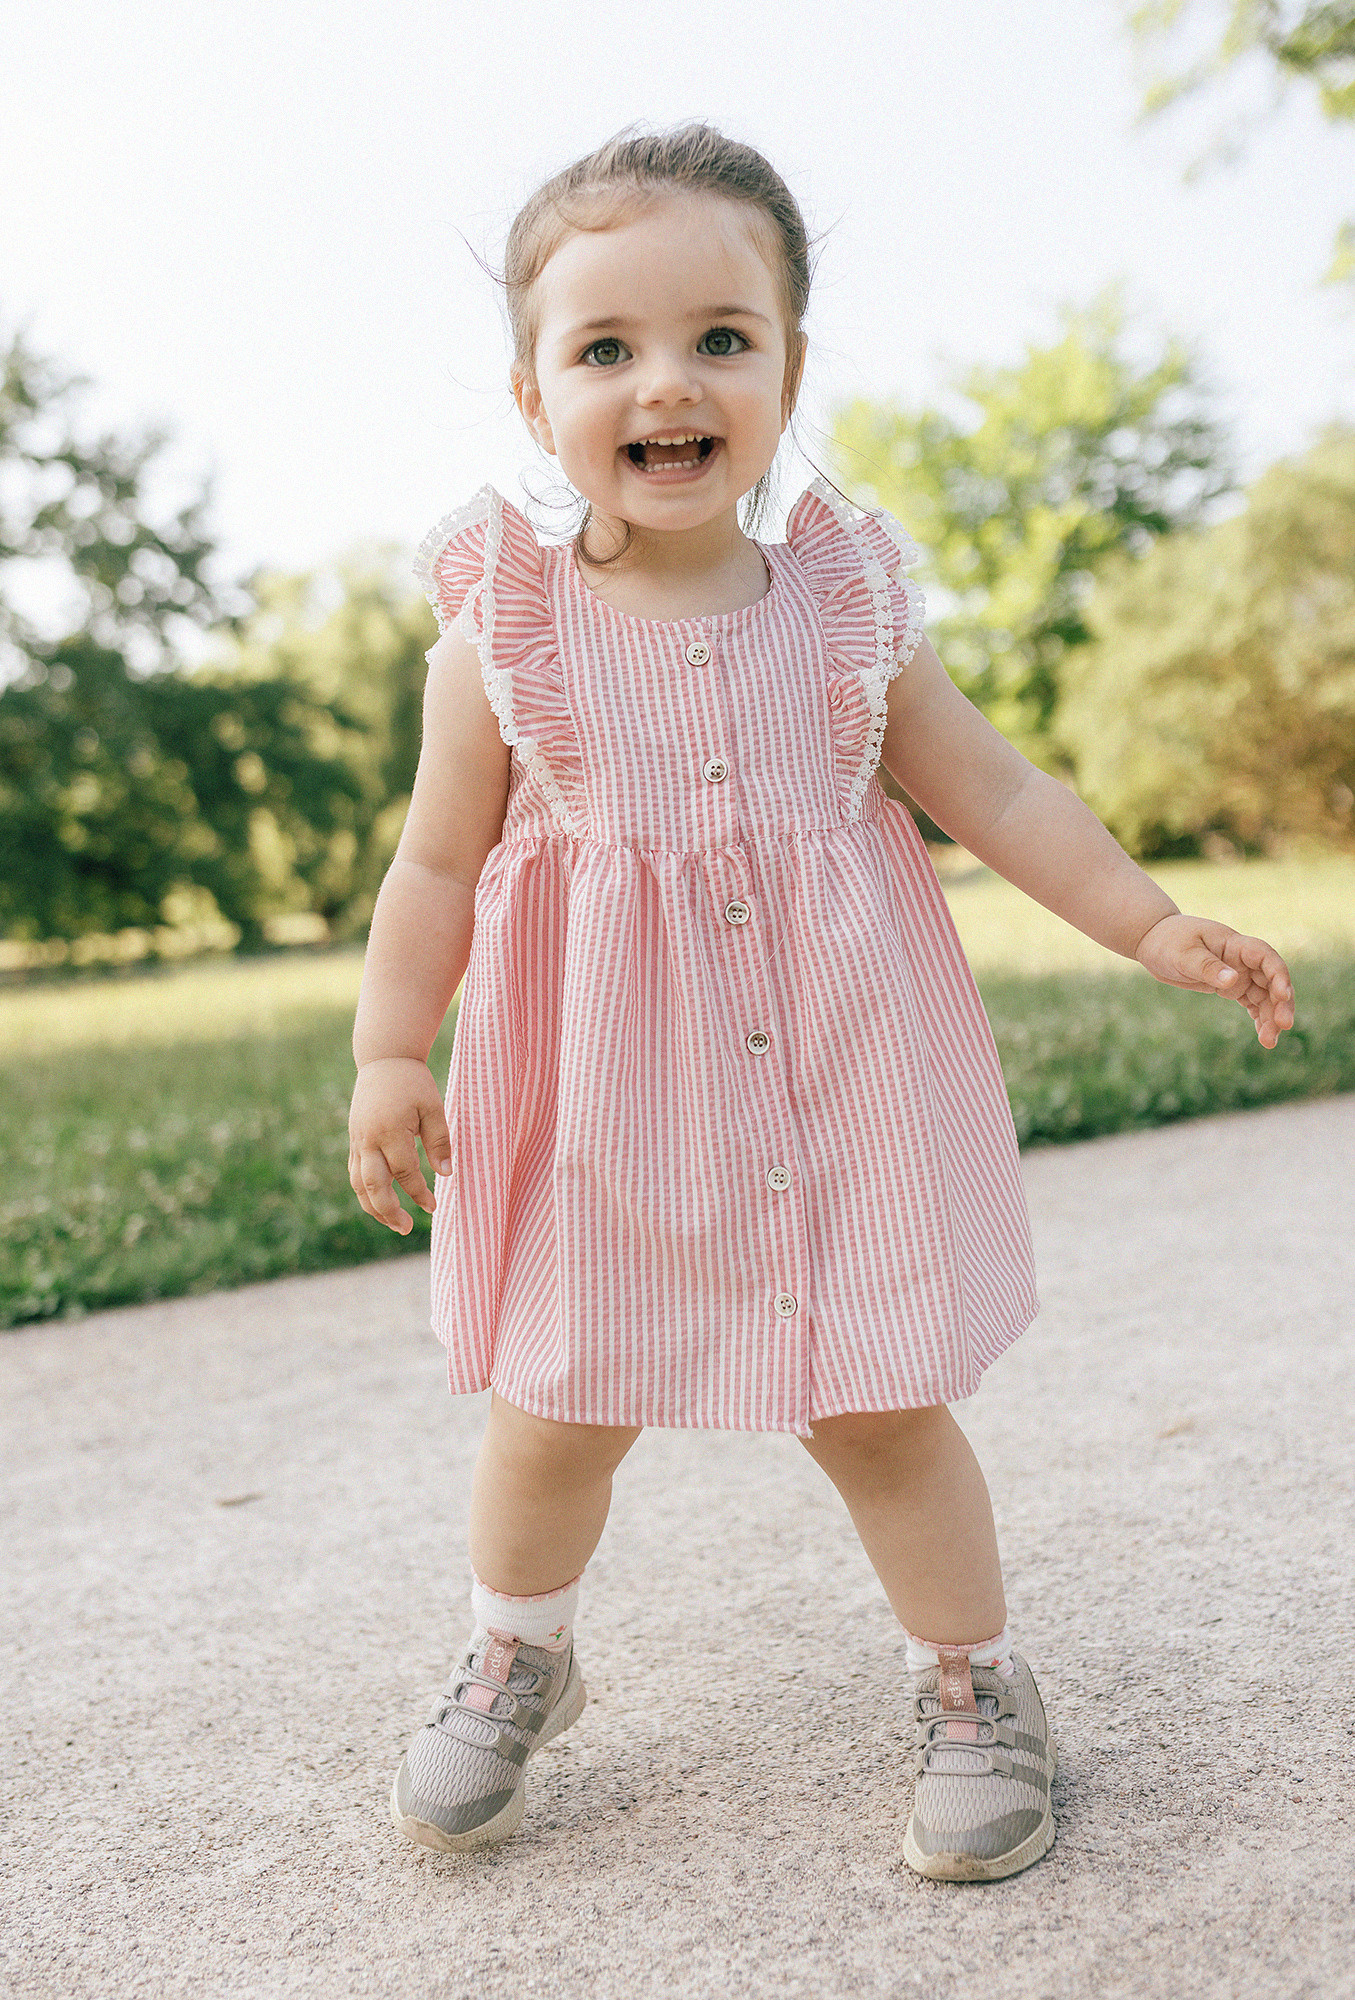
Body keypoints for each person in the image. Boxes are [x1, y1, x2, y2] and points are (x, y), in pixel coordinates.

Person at [347, 123, 1296, 1882]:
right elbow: (431, 867)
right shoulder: (508, 630)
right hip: (602, 1104)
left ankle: (973, 1683)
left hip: (838, 1090)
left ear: (790, 365)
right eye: (605, 348)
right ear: (530, 389)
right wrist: (392, 1047)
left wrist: (1148, 923)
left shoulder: (849, 608)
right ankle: (517, 1652)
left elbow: (1001, 798)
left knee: (873, 1400)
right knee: (556, 1401)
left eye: (723, 336)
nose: (669, 382)